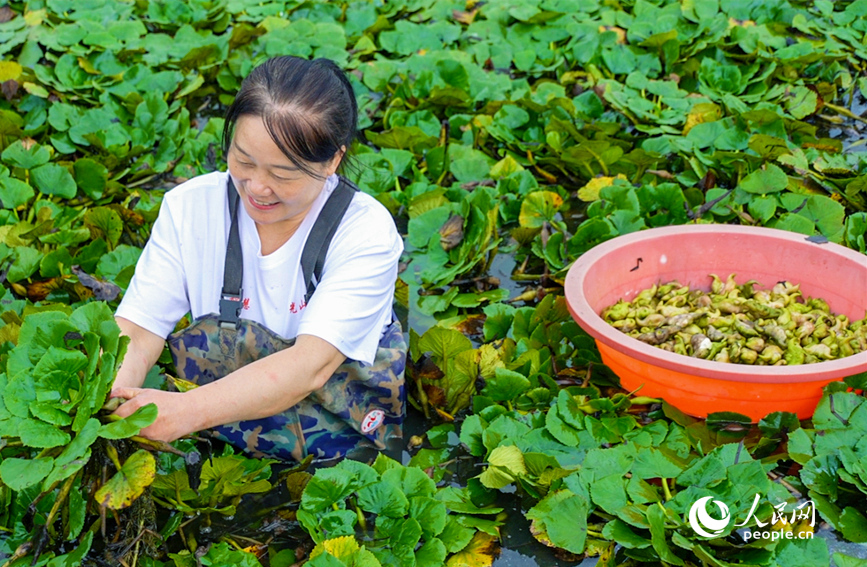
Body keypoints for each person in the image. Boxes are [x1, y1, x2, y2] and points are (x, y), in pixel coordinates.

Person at [110, 56, 407, 461]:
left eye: (283, 174)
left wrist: (184, 411)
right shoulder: (189, 209)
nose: (258, 188)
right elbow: (140, 330)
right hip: (215, 437)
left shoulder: (364, 232)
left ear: (333, 160)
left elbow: (308, 367)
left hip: (338, 455)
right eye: (244, 160)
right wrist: (114, 396)